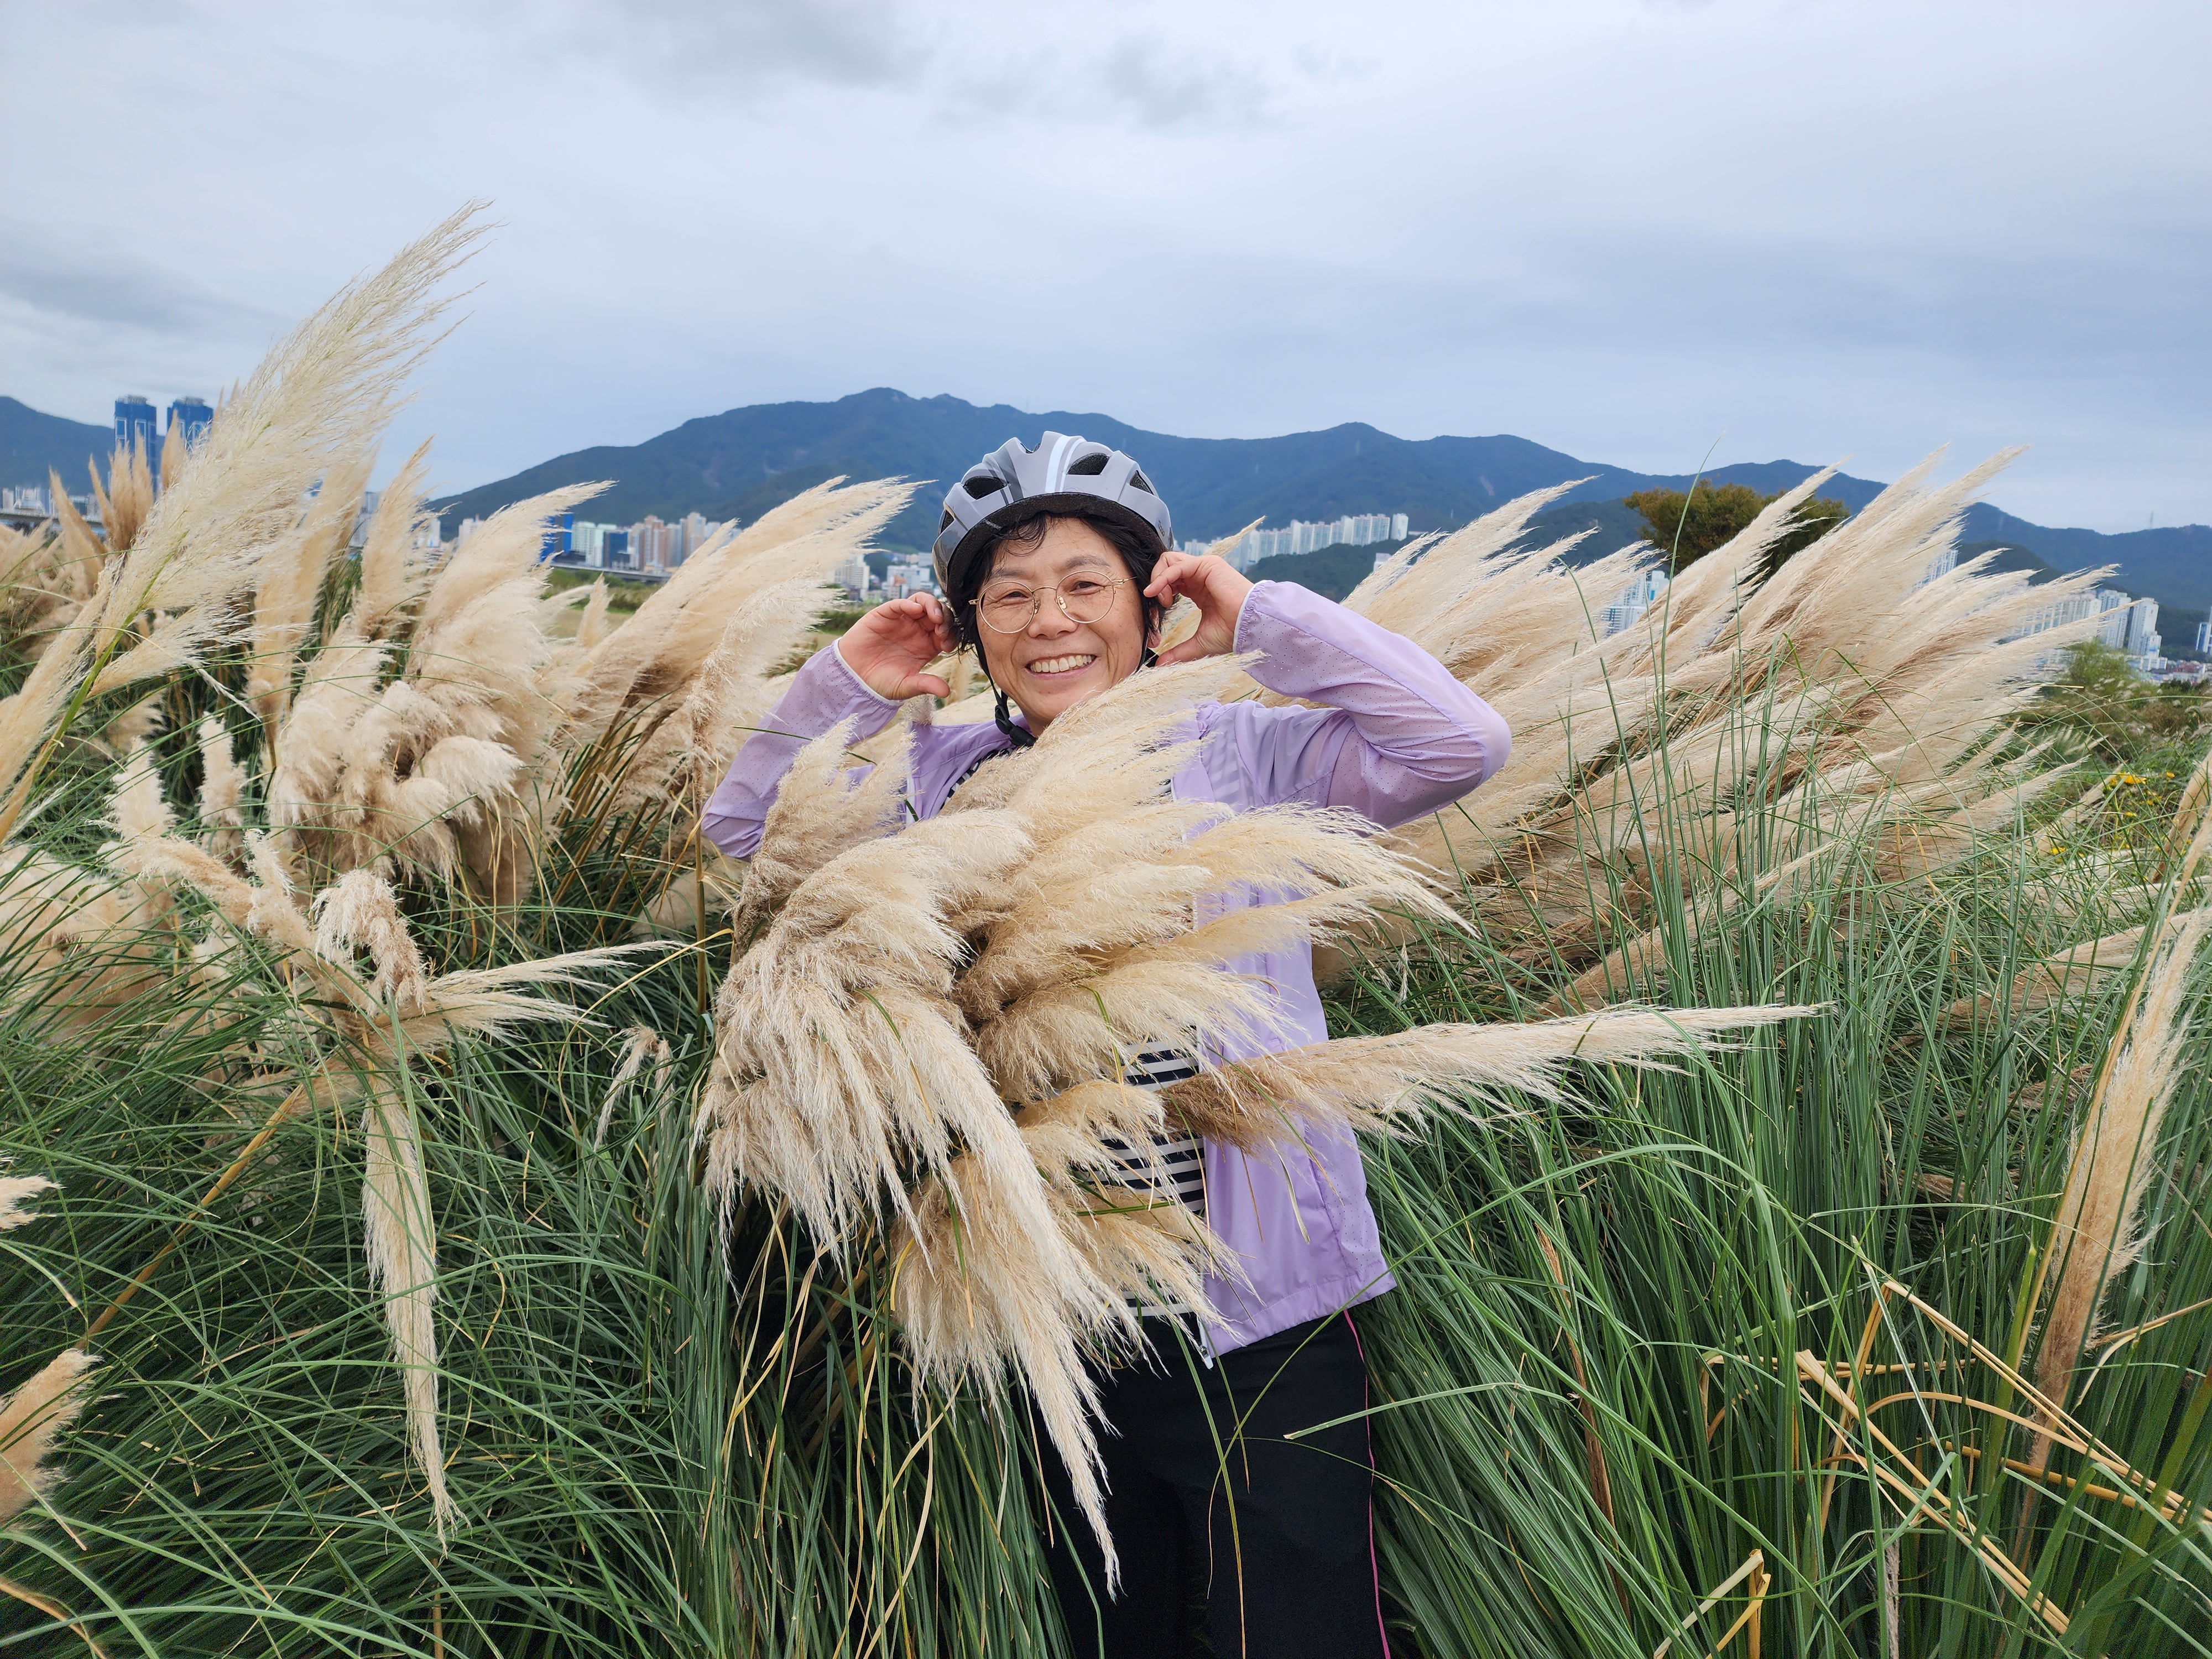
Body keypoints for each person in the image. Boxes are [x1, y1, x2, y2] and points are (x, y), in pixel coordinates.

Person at [701, 434, 1509, 1658]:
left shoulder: (1246, 755)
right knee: (1110, 1631)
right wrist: (845, 684)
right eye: (1010, 595)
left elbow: (1459, 743)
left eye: (1086, 584)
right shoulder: (936, 785)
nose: (1052, 621)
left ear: (1148, 601)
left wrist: (1258, 620)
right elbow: (743, 835)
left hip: (1261, 1302)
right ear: (972, 629)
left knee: (1302, 1629)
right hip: (1055, 1295)